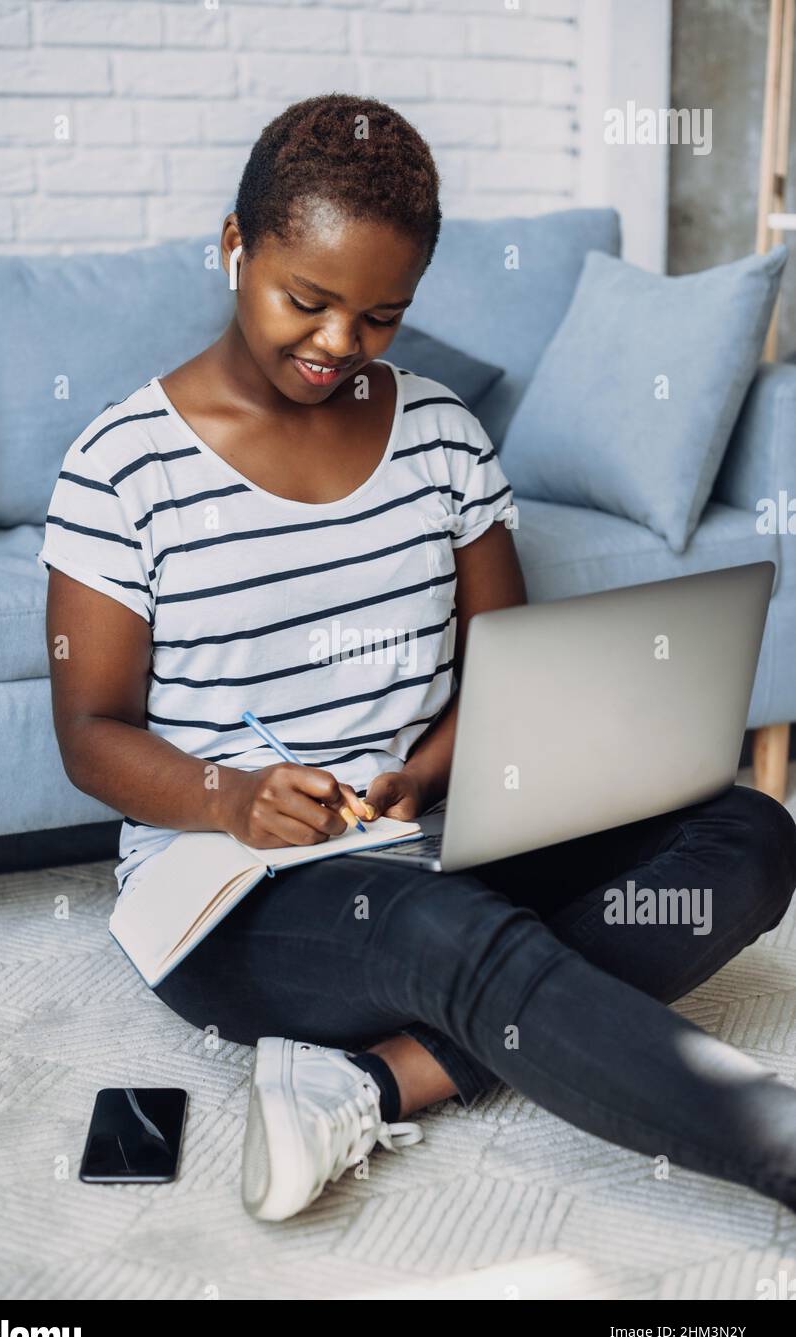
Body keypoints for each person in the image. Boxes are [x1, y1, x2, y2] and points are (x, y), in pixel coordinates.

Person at [41, 93, 796, 1225]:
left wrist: (426, 772)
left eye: (381, 315)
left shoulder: (441, 433)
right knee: (445, 933)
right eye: (307, 299)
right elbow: (89, 733)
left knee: (747, 830)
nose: (339, 345)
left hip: (429, 841)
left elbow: (502, 667)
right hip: (229, 890)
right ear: (234, 245)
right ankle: (772, 1143)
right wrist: (233, 797)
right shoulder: (120, 465)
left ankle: (375, 1078)